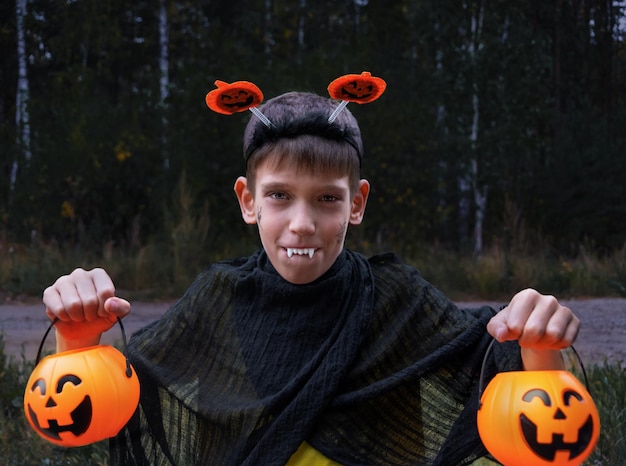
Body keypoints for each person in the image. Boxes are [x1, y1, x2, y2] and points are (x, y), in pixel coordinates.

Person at [43, 85, 580, 466]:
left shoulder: (397, 299)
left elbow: (503, 377)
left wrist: (536, 342)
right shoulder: (218, 299)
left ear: (357, 203)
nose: (302, 225)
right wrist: (77, 336)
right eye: (280, 196)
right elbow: (119, 393)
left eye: (327, 199)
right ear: (248, 200)